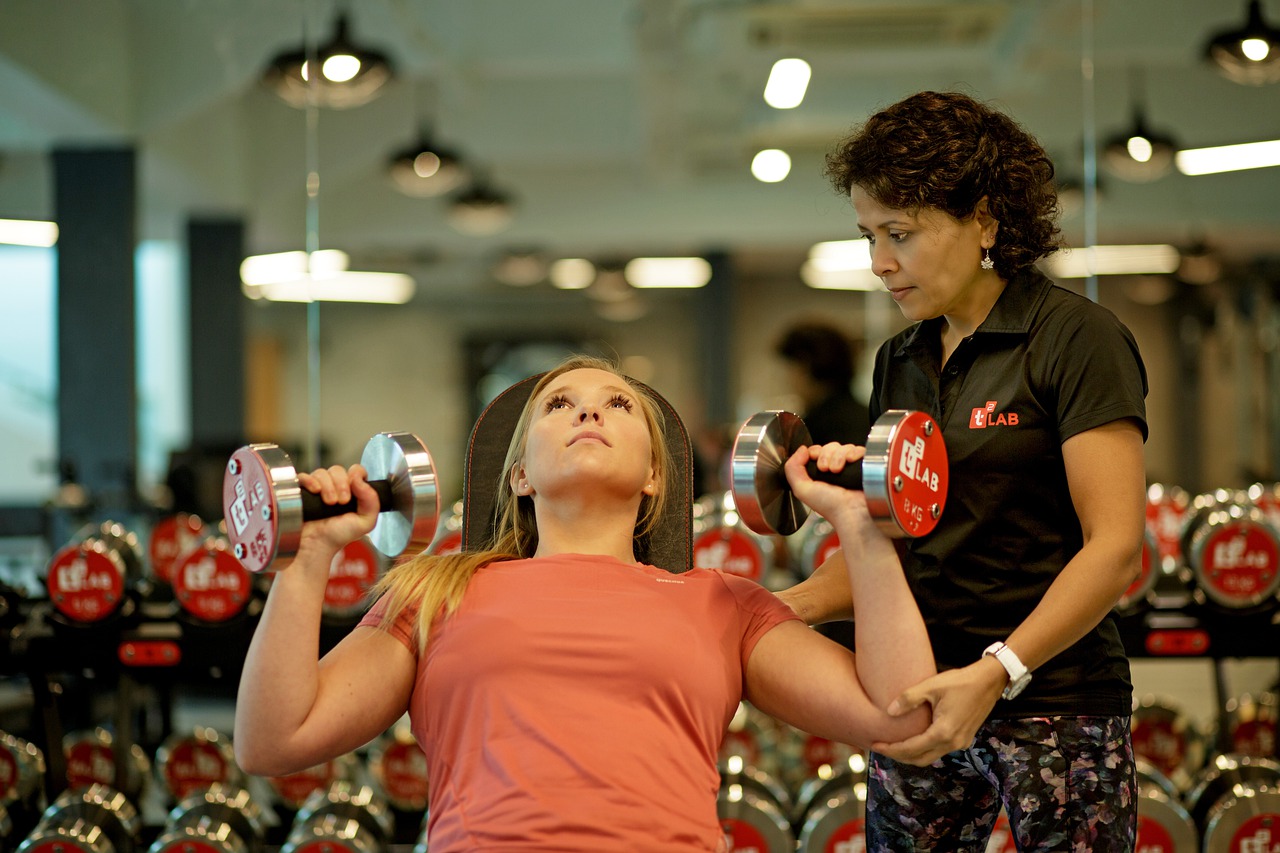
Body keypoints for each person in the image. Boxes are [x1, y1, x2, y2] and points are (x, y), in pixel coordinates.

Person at [234, 355, 936, 852]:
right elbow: (274, 739)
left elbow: (902, 717)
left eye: (619, 403)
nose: (590, 409)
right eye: (558, 405)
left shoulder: (723, 602)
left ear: (657, 475)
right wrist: (308, 558)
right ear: (520, 475)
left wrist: (858, 526)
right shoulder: (438, 588)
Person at [777, 91, 1149, 852]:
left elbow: (1114, 550)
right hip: (920, 694)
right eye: (869, 235)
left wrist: (995, 671)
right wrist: (769, 609)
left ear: (984, 219)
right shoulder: (902, 359)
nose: (879, 262)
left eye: (900, 233)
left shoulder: (1076, 339)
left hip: (1054, 700)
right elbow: (893, 547)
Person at [775, 321, 871, 446]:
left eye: (790, 368)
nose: (787, 379)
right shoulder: (868, 416)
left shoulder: (812, 428)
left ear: (805, 367)